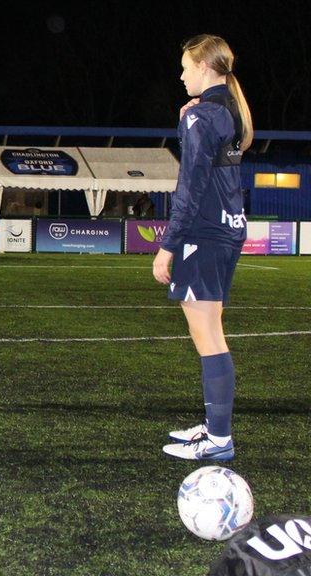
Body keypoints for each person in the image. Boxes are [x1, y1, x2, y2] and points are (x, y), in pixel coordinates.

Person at [154, 34, 253, 461]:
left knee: (208, 335)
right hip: (228, 228)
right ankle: (215, 430)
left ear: (205, 68)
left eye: (185, 67)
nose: (180, 75)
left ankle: (219, 441)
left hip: (204, 233)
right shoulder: (224, 110)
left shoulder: (201, 116)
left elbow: (190, 187)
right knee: (210, 329)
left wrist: (168, 245)